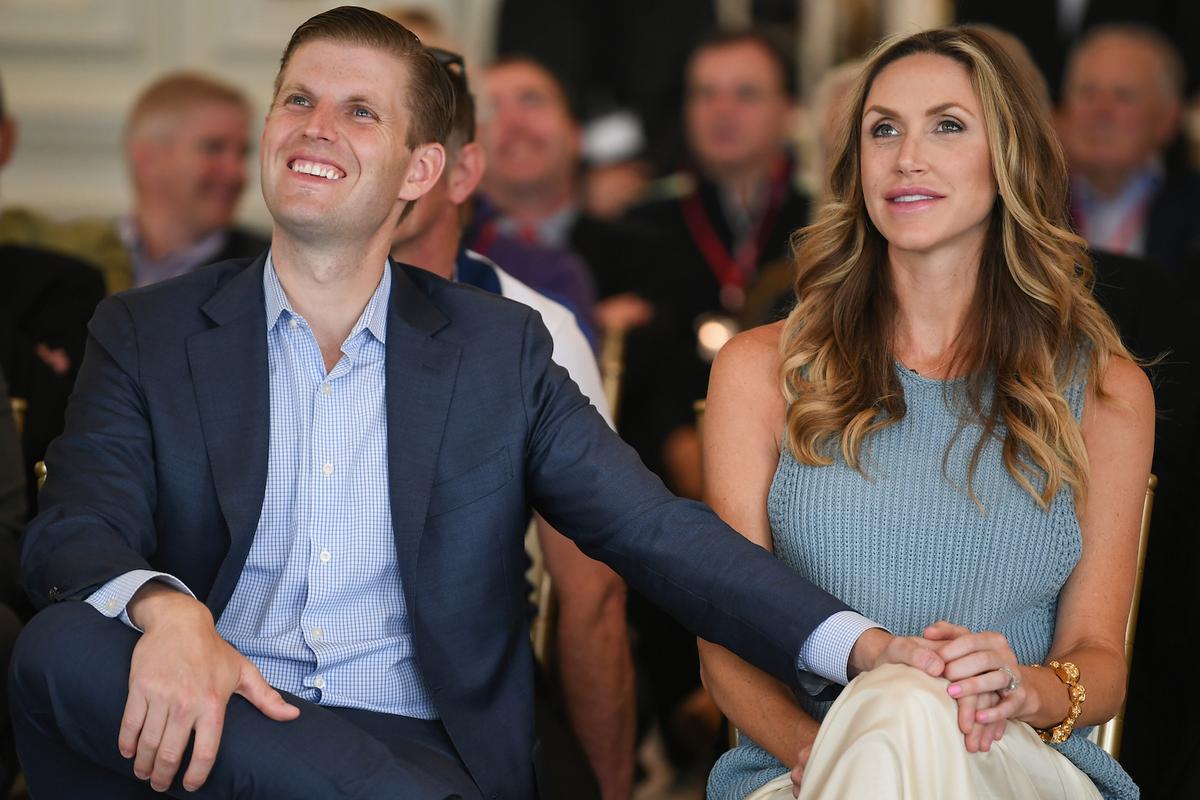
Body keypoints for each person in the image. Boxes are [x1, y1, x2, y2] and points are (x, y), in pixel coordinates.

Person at [9, 8, 944, 799]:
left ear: (422, 172)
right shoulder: (147, 329)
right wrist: (170, 616)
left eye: (359, 111)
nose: (315, 125)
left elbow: (655, 531)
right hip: (204, 717)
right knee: (57, 647)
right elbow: (74, 529)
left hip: (412, 738)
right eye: (298, 99)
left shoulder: (495, 351)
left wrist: (862, 647)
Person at [699, 26, 1151, 800]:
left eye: (947, 125)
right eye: (884, 130)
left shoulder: (1103, 390)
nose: (908, 156)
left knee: (912, 706)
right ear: (856, 164)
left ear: (1008, 158)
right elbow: (726, 645)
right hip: (802, 769)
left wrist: (1021, 688)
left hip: (1014, 766)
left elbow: (1098, 661)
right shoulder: (759, 372)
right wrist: (842, 752)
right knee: (900, 707)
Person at [390, 46, 634, 800]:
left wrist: (608, 790)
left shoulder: (537, 327)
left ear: (463, 173)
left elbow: (590, 597)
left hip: (468, 705)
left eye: (412, 145)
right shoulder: (246, 313)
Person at [1, 72, 268, 293]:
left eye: (242, 152)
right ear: (147, 159)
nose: (237, 172)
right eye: (213, 148)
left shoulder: (268, 272)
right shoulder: (70, 256)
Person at [1058, 24, 1200, 277]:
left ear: (1167, 118)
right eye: (1087, 92)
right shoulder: (1032, 201)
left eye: (1123, 96)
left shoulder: (1192, 210)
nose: (1101, 111)